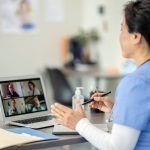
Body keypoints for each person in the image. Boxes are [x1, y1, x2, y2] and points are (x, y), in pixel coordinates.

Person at [51, 0, 150, 149]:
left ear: (136, 37)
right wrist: (118, 110)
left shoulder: (135, 83)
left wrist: (78, 123)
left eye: (122, 28)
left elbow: (117, 147)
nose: (120, 35)